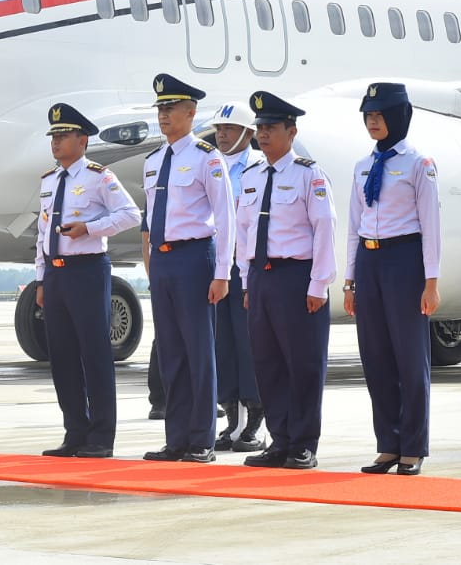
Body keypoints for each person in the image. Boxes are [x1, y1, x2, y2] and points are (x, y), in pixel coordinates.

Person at [234, 92, 337, 469]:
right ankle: (280, 440)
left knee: (303, 364)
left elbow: (324, 228)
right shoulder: (251, 177)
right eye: (260, 128)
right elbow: (243, 231)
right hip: (260, 278)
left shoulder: (309, 174)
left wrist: (318, 284)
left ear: (291, 132)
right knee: (268, 363)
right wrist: (246, 282)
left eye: (271, 128)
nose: (262, 134)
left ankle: (304, 443)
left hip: (297, 277)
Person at [344, 83, 441, 476]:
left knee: (410, 358)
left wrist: (431, 282)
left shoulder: (419, 164)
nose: (373, 122)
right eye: (368, 115)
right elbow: (354, 226)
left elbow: (431, 227)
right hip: (370, 262)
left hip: (404, 260)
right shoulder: (361, 166)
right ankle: (388, 444)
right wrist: (350, 281)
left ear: (399, 116)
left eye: (380, 115)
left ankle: (413, 447)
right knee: (376, 357)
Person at [36, 103, 141, 458]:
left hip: (87, 270)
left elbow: (130, 214)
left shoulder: (99, 176)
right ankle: (75, 433)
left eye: (63, 135)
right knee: (62, 356)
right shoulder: (49, 181)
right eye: (53, 136)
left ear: (82, 141)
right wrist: (41, 279)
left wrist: (90, 229)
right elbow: (43, 232)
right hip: (56, 273)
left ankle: (101, 437)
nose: (56, 142)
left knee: (94, 355)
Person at [141, 74, 234, 464]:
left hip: (195, 257)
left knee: (199, 351)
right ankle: (176, 438)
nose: (163, 115)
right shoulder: (153, 161)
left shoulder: (205, 157)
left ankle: (201, 439)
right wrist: (152, 268)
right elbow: (149, 221)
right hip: (163, 261)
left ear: (191, 112)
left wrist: (223, 272)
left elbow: (225, 216)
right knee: (171, 353)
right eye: (160, 108)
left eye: (171, 108)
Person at [207, 102, 266, 453]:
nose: (222, 134)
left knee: (249, 344)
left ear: (247, 132)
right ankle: (233, 421)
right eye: (218, 129)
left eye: (229, 128)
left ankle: (256, 423)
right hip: (217, 264)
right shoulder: (210, 165)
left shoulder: (260, 166)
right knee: (223, 345)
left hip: (245, 264)